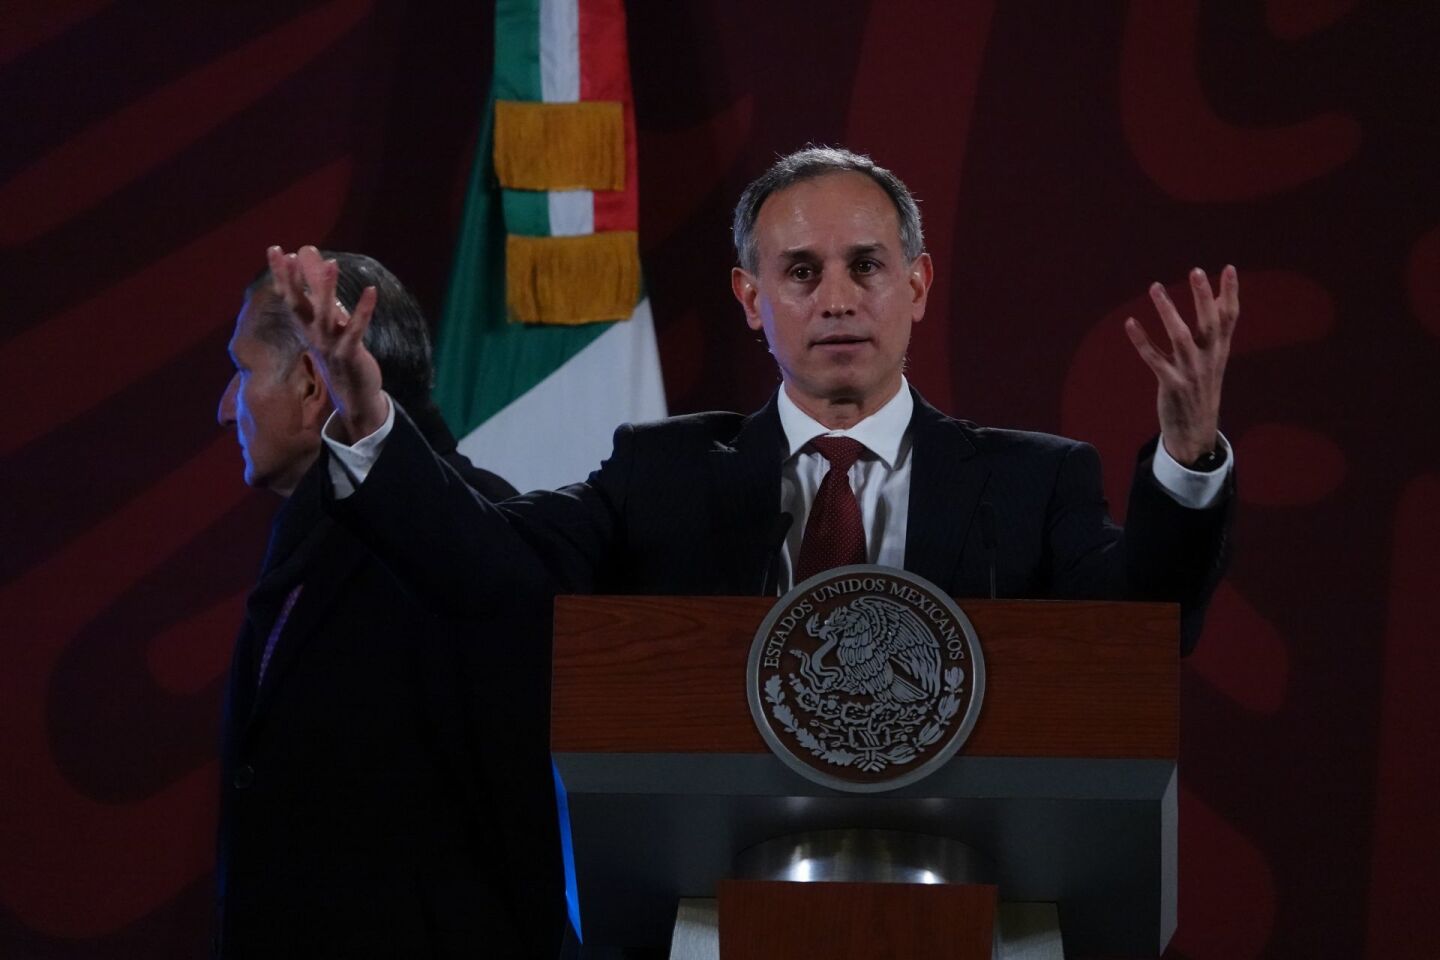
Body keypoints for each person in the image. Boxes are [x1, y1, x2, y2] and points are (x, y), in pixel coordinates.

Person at [265, 147, 1235, 654]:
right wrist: (365, 411)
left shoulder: (1035, 483)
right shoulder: (662, 476)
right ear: (750, 298)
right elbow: (492, 568)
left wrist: (1187, 461)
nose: (841, 300)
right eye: (802, 272)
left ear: (919, 286)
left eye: (868, 266)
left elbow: (1144, 629)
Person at [214, 252, 564, 958]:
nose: (225, 406)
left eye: (243, 371)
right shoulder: (313, 538)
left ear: (315, 383)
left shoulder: (468, 539)